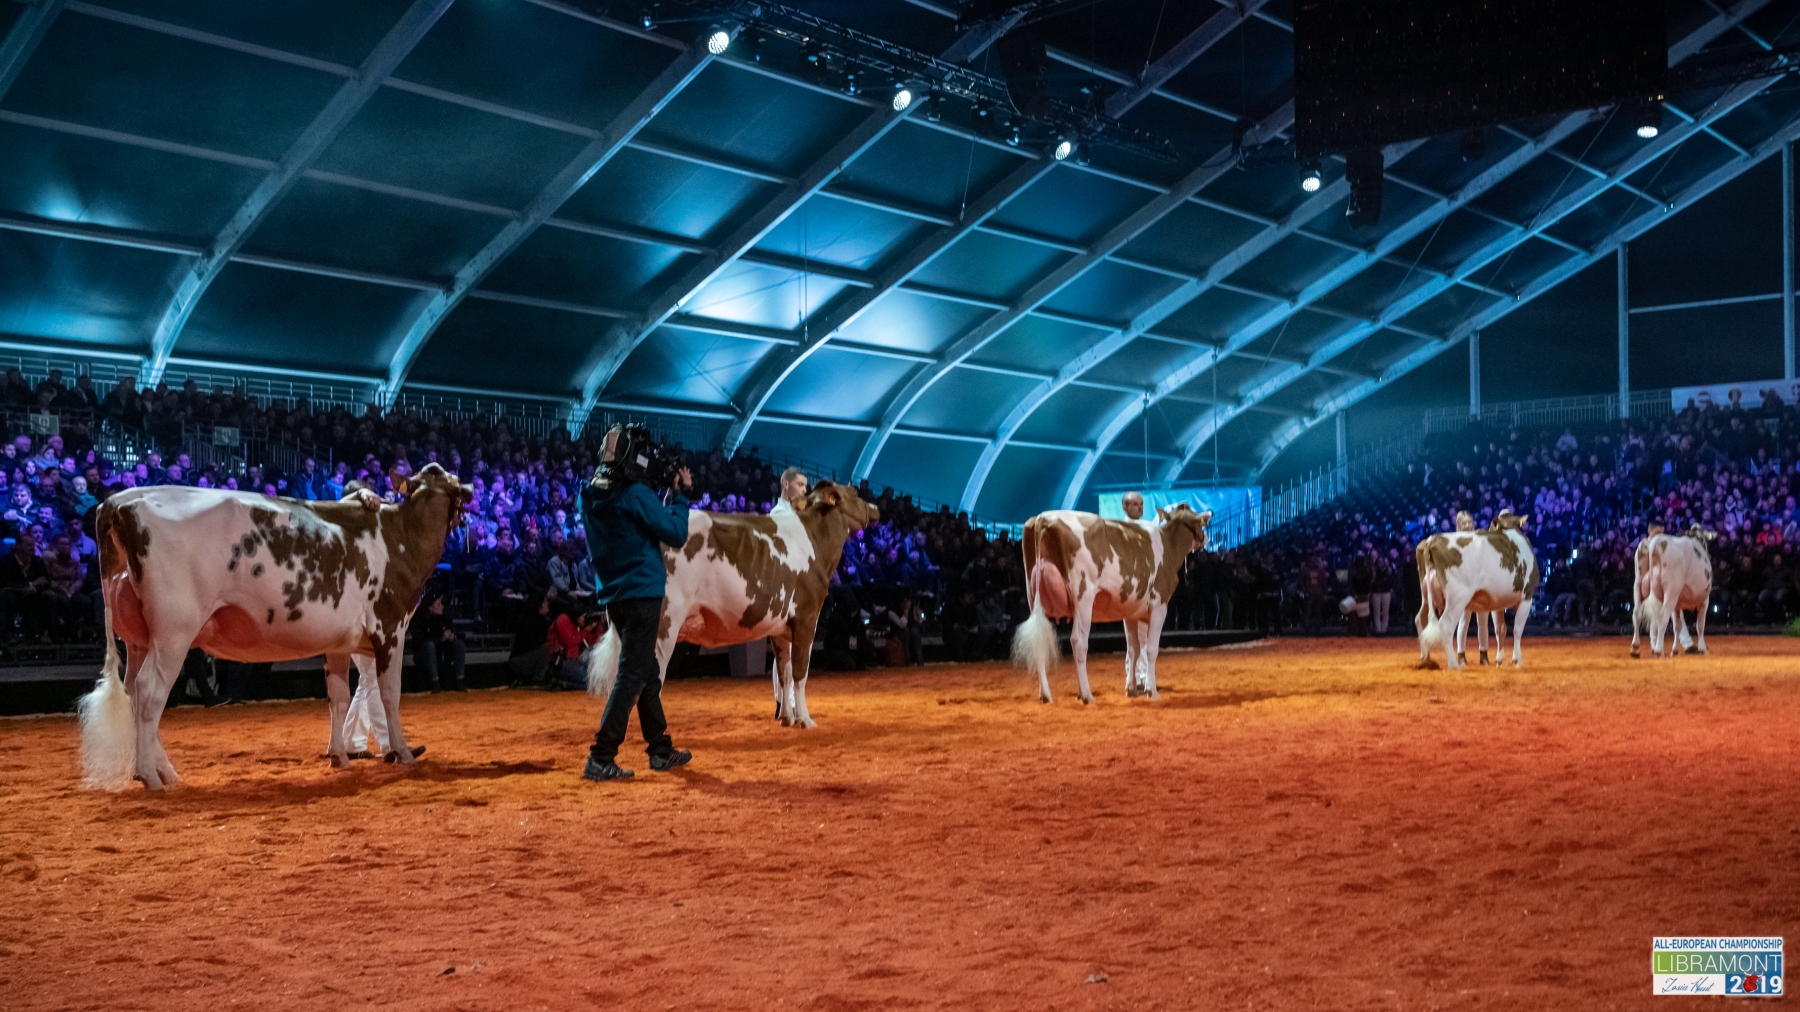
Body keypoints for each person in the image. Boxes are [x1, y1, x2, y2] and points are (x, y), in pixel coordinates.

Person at [580, 430, 694, 782]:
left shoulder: (589, 494)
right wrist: (681, 498)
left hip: (614, 594)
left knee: (646, 673)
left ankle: (660, 749)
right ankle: (601, 756)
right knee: (632, 676)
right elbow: (675, 533)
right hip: (642, 591)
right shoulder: (636, 495)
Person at [413, 593, 465, 692]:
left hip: (441, 651)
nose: (442, 606)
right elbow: (419, 642)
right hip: (423, 654)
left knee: (459, 644)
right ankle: (435, 683)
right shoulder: (419, 619)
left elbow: (453, 630)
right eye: (438, 604)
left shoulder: (444, 617)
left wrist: (452, 636)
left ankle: (460, 681)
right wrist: (441, 639)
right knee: (430, 645)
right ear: (430, 608)